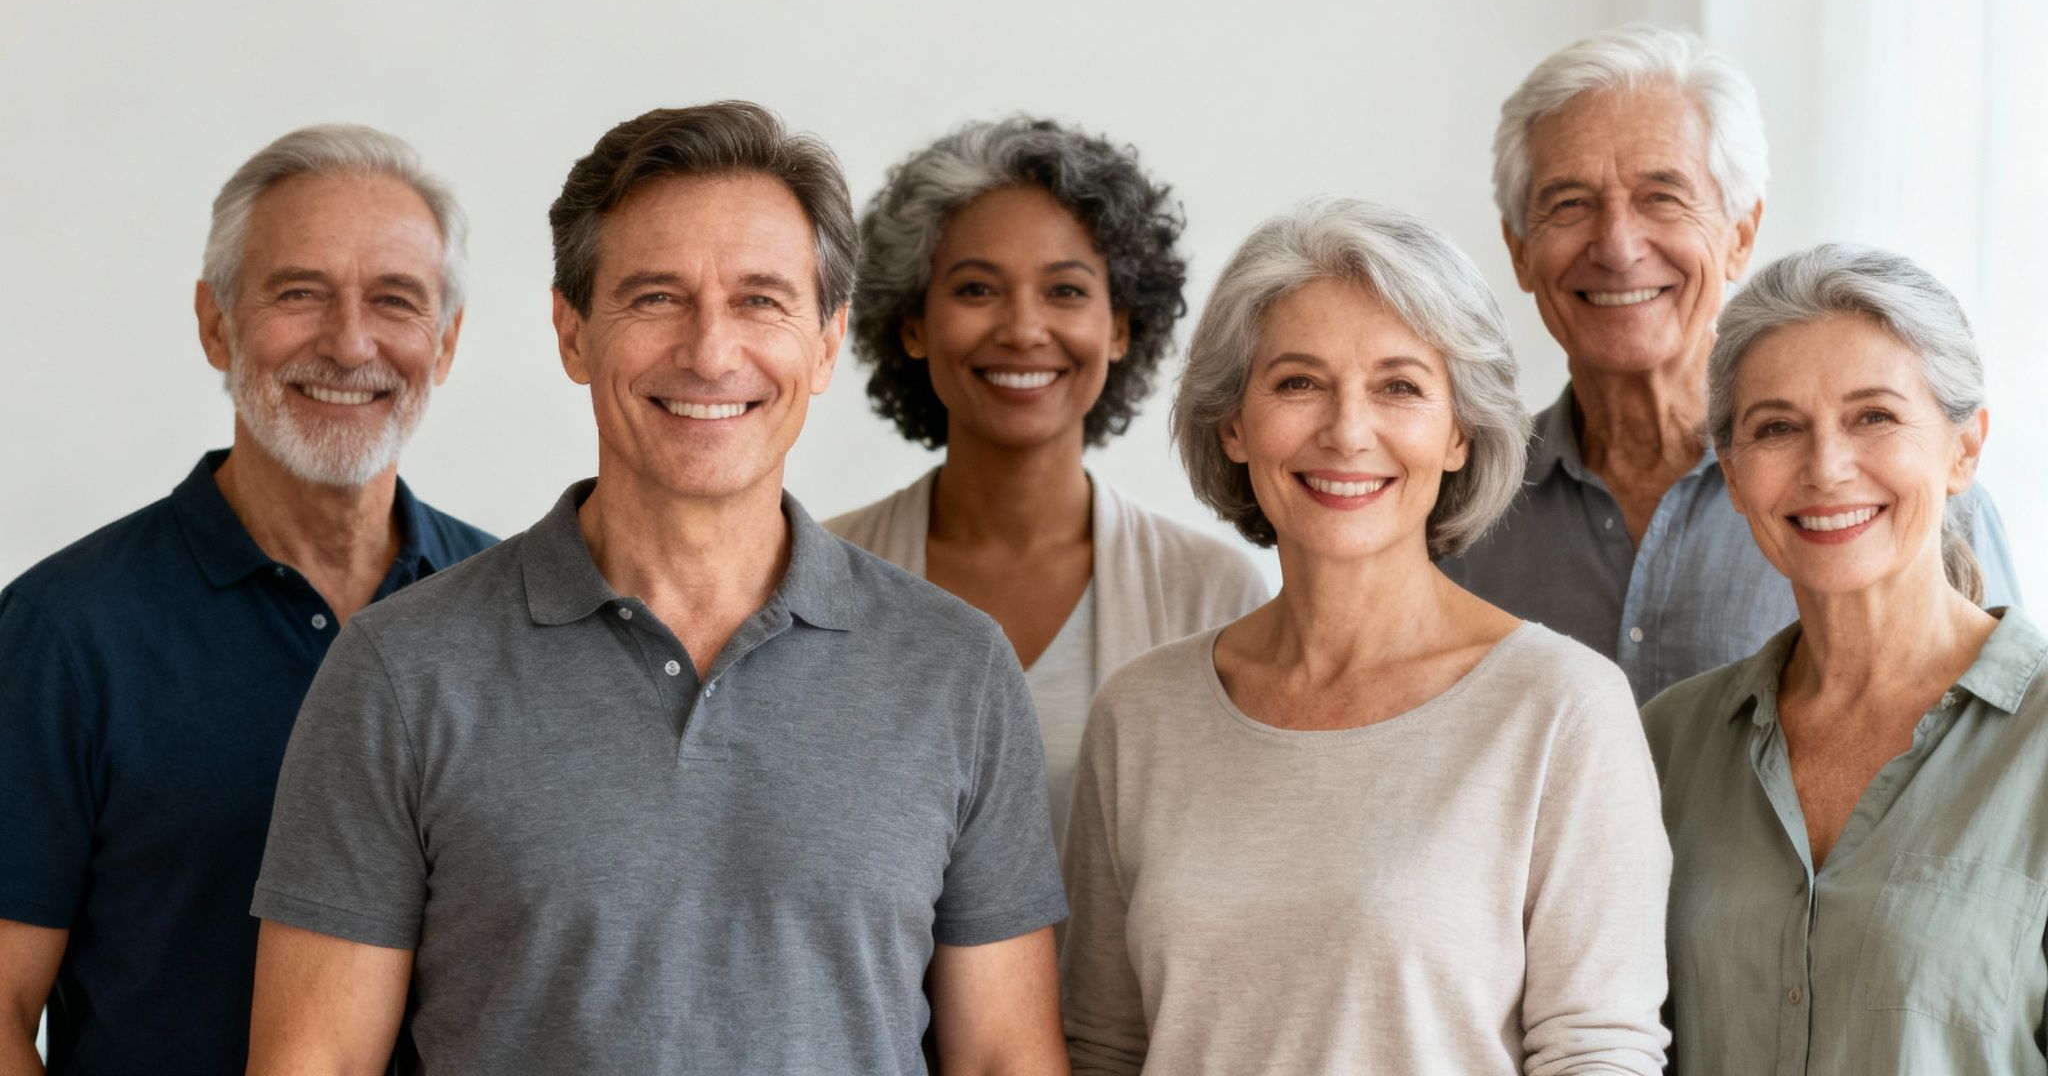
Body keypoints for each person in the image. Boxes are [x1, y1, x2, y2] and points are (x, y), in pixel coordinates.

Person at [245, 102, 1070, 1074]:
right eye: (654, 297)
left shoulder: (954, 668)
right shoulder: (399, 668)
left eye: (761, 300)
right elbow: (316, 1063)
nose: (710, 352)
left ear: (825, 342)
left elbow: (1003, 1059)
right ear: (572, 331)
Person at [1060, 199, 1669, 1074]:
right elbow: (1104, 1048)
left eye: (1400, 387)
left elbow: (1599, 1053)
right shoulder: (1142, 714)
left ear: (1460, 433)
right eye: (1298, 382)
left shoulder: (1560, 707)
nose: (1348, 431)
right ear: (1234, 423)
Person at [0, 125, 492, 1075]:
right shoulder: (63, 638)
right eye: (299, 292)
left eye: (395, 300)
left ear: (448, 340)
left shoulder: (516, 616)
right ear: (216, 322)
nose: (349, 343)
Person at [1441, 23, 2020, 703]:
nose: (1619, 246)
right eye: (1570, 204)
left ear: (1740, 236)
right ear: (1519, 252)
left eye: (1662, 196)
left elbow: (1996, 751)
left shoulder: (1904, 494)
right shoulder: (1460, 510)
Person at [1643, 245, 2048, 1074]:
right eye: (1777, 428)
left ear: (1964, 448)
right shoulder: (1667, 743)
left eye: (1875, 416)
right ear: (1732, 472)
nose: (1825, 467)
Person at [829, 116, 1266, 843]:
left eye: (1065, 291)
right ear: (912, 324)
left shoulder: (1215, 597)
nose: (1024, 330)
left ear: (1121, 326)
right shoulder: (817, 579)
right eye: (976, 289)